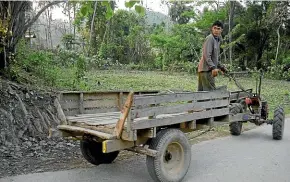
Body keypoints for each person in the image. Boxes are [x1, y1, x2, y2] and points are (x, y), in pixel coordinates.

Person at [197, 20, 227, 91]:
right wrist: (213, 67)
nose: (216, 30)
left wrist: (221, 67)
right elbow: (207, 55)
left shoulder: (217, 40)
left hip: (205, 70)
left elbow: (214, 58)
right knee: (210, 93)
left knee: (202, 93)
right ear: (212, 29)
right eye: (215, 28)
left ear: (221, 30)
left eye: (218, 29)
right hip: (206, 70)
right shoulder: (210, 38)